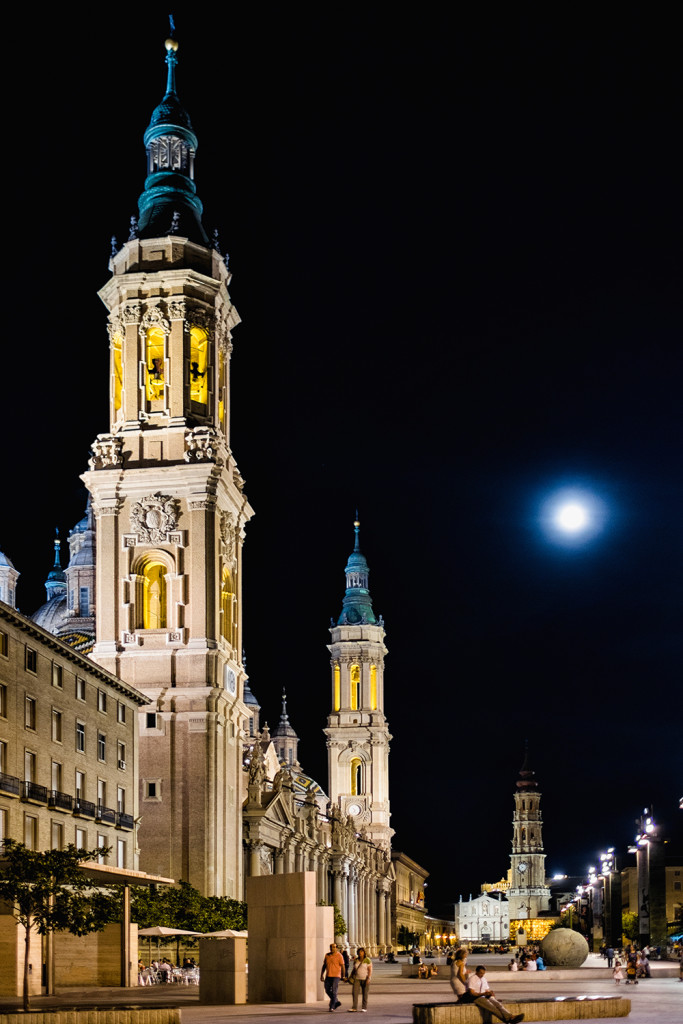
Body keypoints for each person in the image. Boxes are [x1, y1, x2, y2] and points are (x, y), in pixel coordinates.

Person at [321, 942, 346, 1011]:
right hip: (328, 975)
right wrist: (321, 974)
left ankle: (332, 1007)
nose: (332, 948)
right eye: (331, 947)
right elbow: (324, 965)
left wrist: (343, 976)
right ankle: (336, 1001)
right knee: (327, 990)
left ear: (337, 948)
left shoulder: (339, 956)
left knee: (334, 991)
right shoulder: (327, 955)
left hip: (336, 976)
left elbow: (343, 966)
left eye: (334, 947)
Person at [347, 947, 372, 1013]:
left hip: (365, 979)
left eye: (361, 951)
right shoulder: (356, 960)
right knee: (354, 993)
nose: (360, 953)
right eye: (359, 952)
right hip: (357, 979)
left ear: (364, 952)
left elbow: (370, 970)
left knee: (365, 993)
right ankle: (354, 1007)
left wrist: (369, 978)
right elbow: (354, 970)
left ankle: (364, 1007)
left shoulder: (367, 960)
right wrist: (350, 977)